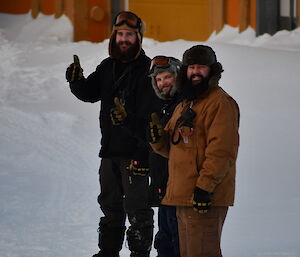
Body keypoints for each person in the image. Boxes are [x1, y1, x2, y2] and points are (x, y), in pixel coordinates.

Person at [65, 11, 155, 257]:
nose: (124, 39)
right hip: (110, 152)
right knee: (110, 206)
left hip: (135, 154)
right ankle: (108, 252)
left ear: (139, 38)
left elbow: (150, 117)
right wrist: (76, 81)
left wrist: (142, 155)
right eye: (120, 34)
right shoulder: (108, 67)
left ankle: (139, 254)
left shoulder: (146, 71)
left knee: (138, 210)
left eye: (129, 35)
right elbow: (90, 93)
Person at [149, 45, 240, 257]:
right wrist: (156, 139)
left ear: (212, 71)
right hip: (182, 197)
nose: (195, 72)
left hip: (204, 198)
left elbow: (222, 151)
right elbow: (173, 148)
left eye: (201, 67)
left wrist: (205, 187)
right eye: (191, 67)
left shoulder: (220, 103)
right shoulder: (187, 104)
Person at [147, 56, 182, 257]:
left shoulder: (185, 106)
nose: (162, 84)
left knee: (177, 243)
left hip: (179, 189)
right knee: (163, 242)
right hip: (164, 188)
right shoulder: (164, 107)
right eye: (158, 80)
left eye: (167, 77)